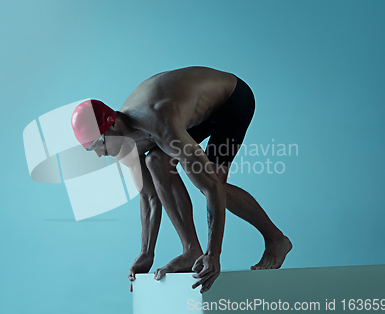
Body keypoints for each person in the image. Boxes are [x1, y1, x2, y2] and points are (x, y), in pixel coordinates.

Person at [71, 66, 292, 294]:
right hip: (188, 109)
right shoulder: (123, 145)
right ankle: (191, 251)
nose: (100, 154)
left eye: (98, 144)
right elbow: (149, 195)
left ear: (114, 124)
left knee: (213, 180)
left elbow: (212, 188)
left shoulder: (158, 123)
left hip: (231, 101)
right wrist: (146, 252)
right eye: (91, 149)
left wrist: (213, 255)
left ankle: (276, 239)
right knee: (156, 160)